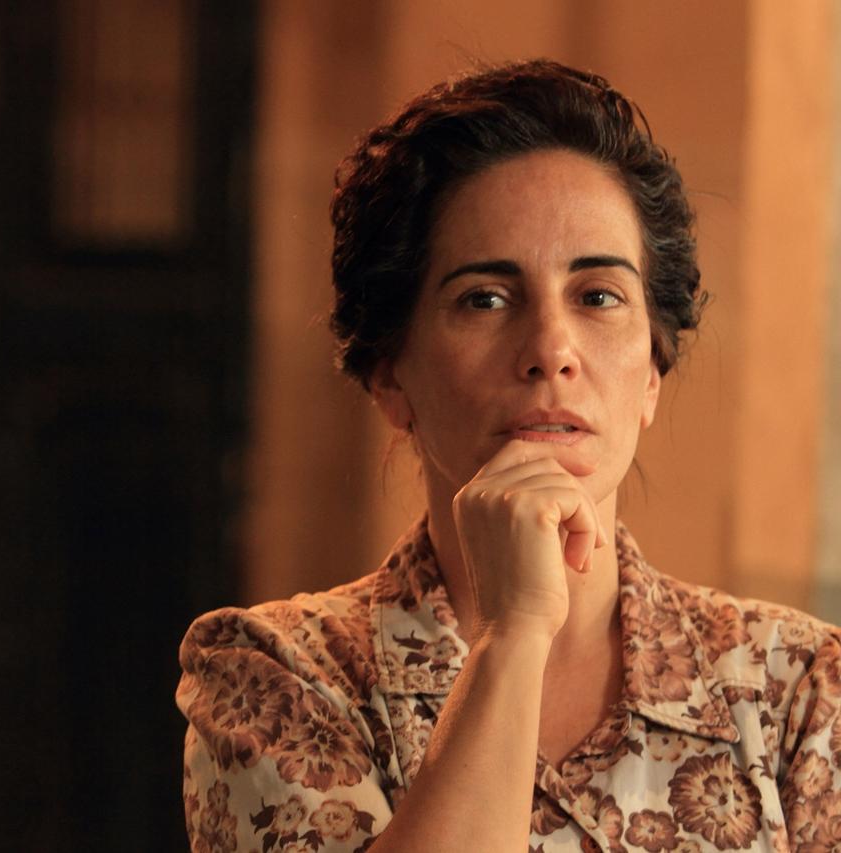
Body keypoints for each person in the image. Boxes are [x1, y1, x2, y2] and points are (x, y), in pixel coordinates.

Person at [176, 59, 841, 852]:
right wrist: (514, 632)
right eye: (484, 299)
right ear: (390, 375)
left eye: (598, 296)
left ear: (652, 374)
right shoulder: (274, 676)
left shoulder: (799, 692)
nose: (550, 348)